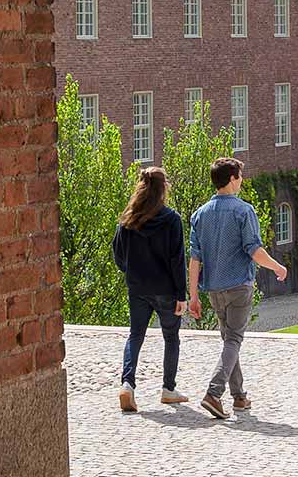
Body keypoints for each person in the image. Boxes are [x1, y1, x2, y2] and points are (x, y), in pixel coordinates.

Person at [188, 157, 288, 419]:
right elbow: (254, 250)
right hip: (238, 286)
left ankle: (240, 397)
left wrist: (194, 296)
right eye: (240, 177)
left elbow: (195, 259)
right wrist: (277, 267)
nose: (242, 181)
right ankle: (213, 393)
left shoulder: (199, 215)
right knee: (233, 340)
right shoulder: (244, 211)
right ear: (232, 179)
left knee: (228, 342)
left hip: (213, 289)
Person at [112, 167, 189, 412]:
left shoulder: (129, 218)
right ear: (163, 188)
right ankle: (168, 389)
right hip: (166, 288)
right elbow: (178, 260)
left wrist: (131, 271)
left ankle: (127, 384)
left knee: (135, 335)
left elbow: (118, 254)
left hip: (138, 287)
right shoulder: (171, 219)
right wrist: (181, 294)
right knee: (171, 337)